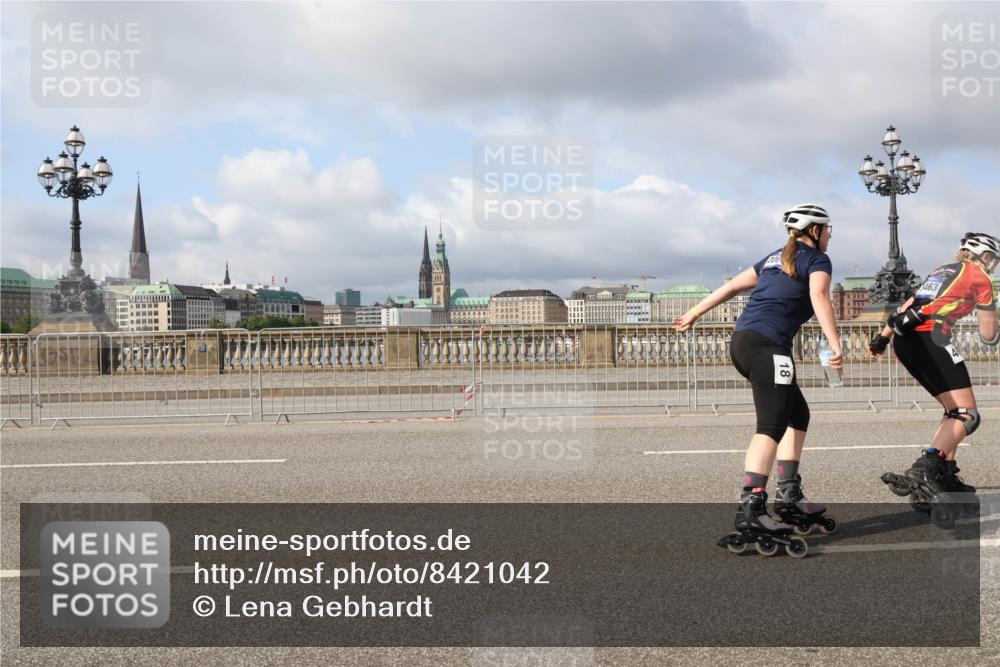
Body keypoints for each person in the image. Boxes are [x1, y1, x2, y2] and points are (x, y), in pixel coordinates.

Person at [675, 203, 842, 557]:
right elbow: (820, 296)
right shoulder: (816, 261)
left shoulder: (772, 258)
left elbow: (731, 287)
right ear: (815, 231)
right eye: (828, 229)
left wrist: (694, 312)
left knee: (798, 415)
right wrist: (835, 342)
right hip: (768, 348)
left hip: (744, 343)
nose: (830, 235)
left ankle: (789, 494)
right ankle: (751, 506)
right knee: (772, 425)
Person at [872, 232, 999, 516]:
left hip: (904, 340)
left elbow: (906, 306)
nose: (994, 265)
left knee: (953, 411)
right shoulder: (981, 278)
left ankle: (945, 475)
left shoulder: (941, 271)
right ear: (982, 256)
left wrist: (881, 339)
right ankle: (928, 470)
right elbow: (989, 335)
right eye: (993, 259)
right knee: (967, 415)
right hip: (934, 339)